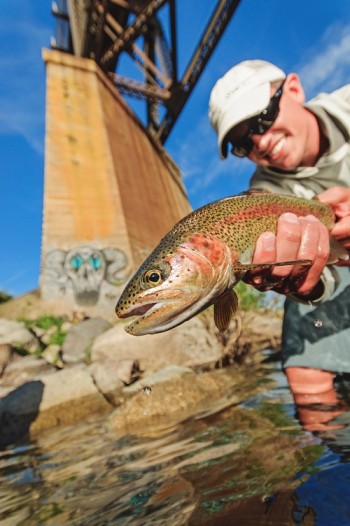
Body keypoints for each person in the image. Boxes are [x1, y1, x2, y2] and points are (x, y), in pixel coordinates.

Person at [208, 60, 350, 430]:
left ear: (294, 88)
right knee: (306, 380)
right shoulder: (264, 195)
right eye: (243, 144)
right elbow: (321, 282)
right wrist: (308, 281)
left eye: (261, 120)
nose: (260, 143)